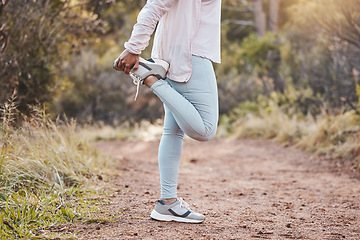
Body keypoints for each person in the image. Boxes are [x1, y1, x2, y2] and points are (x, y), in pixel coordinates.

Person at [114, 0, 221, 223]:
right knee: (205, 130)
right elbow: (155, 6)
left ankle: (167, 204)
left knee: (173, 131)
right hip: (191, 55)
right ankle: (149, 78)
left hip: (174, 53)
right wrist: (133, 48)